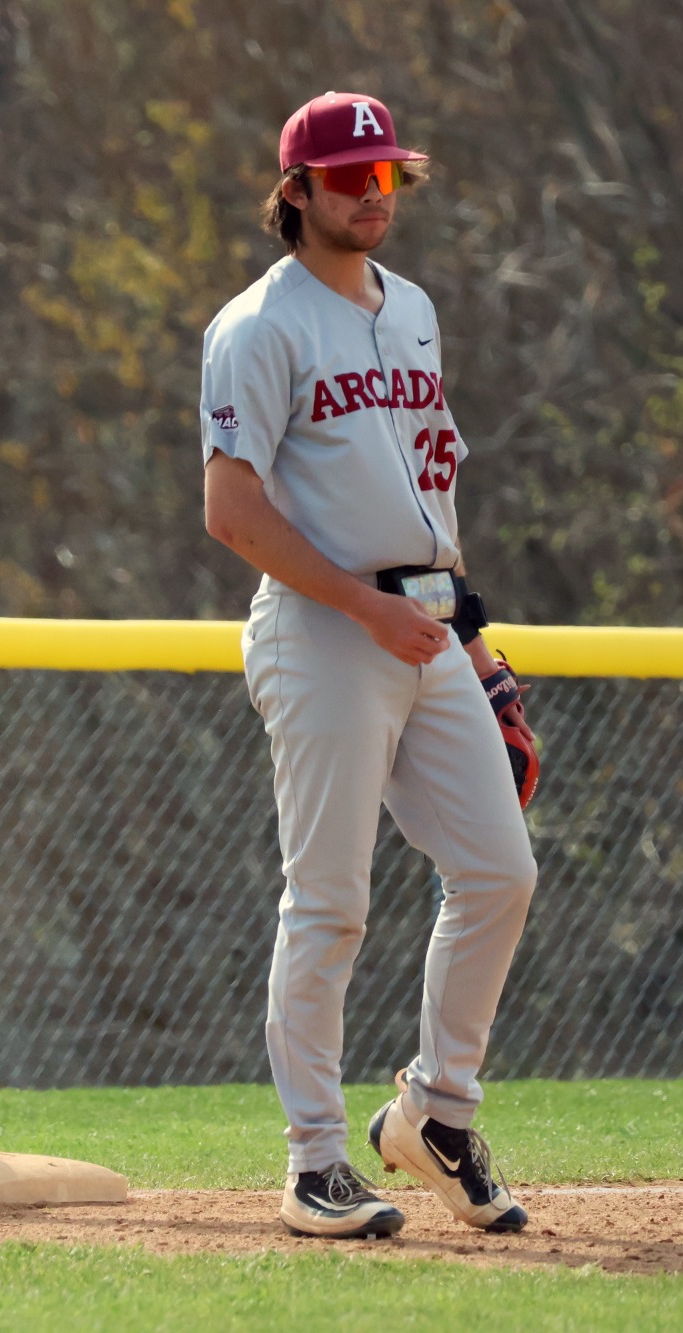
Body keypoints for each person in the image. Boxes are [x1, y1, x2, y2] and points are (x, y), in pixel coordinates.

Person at [199, 92, 541, 1239]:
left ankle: (434, 1113)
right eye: (346, 177)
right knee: (329, 902)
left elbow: (428, 495)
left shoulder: (414, 312)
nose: (369, 193)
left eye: (383, 174)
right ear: (293, 191)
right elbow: (229, 509)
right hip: (322, 630)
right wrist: (361, 606)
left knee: (498, 871)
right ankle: (313, 1161)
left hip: (424, 625)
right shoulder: (258, 326)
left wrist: (473, 643)